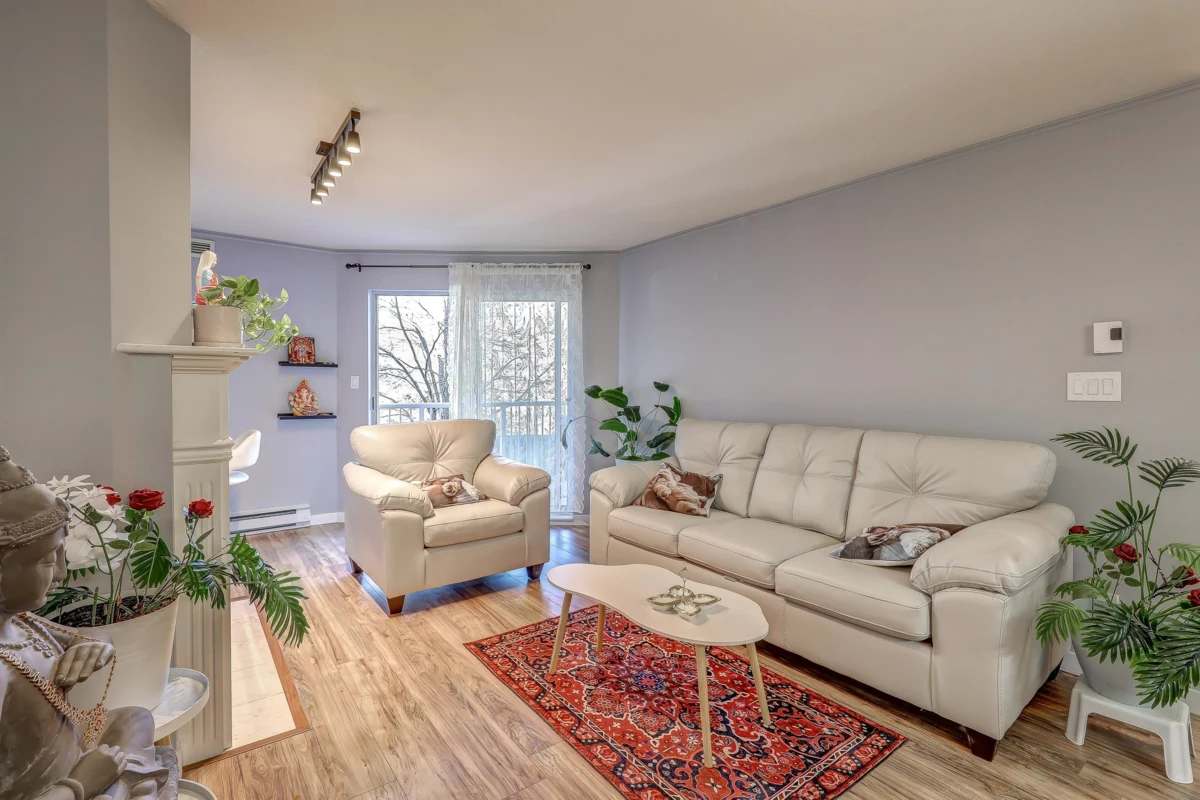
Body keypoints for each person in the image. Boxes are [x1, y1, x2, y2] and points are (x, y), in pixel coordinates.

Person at [0, 447, 173, 800]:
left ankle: (124, 787)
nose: (62, 572)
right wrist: (78, 785)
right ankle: (122, 789)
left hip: (77, 756)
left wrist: (92, 643)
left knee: (134, 719)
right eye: (49, 559)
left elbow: (77, 636)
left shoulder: (18, 623)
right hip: (55, 789)